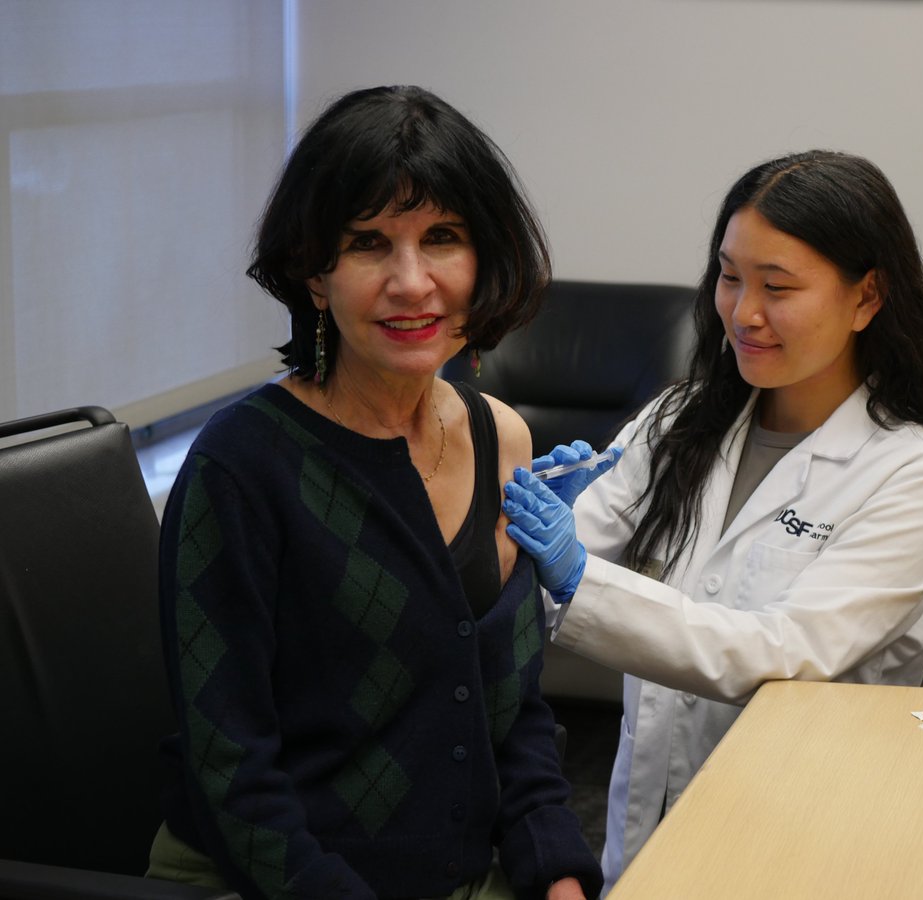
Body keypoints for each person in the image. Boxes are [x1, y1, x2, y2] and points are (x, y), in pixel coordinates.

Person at [147, 85, 601, 900]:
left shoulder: (503, 437)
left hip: (463, 870)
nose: (411, 281)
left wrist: (559, 873)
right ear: (312, 275)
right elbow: (232, 774)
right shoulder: (240, 467)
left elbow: (516, 714)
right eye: (367, 243)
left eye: (443, 238)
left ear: (484, 257)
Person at [503, 150, 923, 893]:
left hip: (804, 834)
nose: (743, 312)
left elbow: (782, 651)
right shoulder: (679, 420)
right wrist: (525, 534)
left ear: (866, 297)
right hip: (643, 818)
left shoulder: (913, 476)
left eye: (777, 287)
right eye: (729, 277)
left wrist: (578, 577)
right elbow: (551, 568)